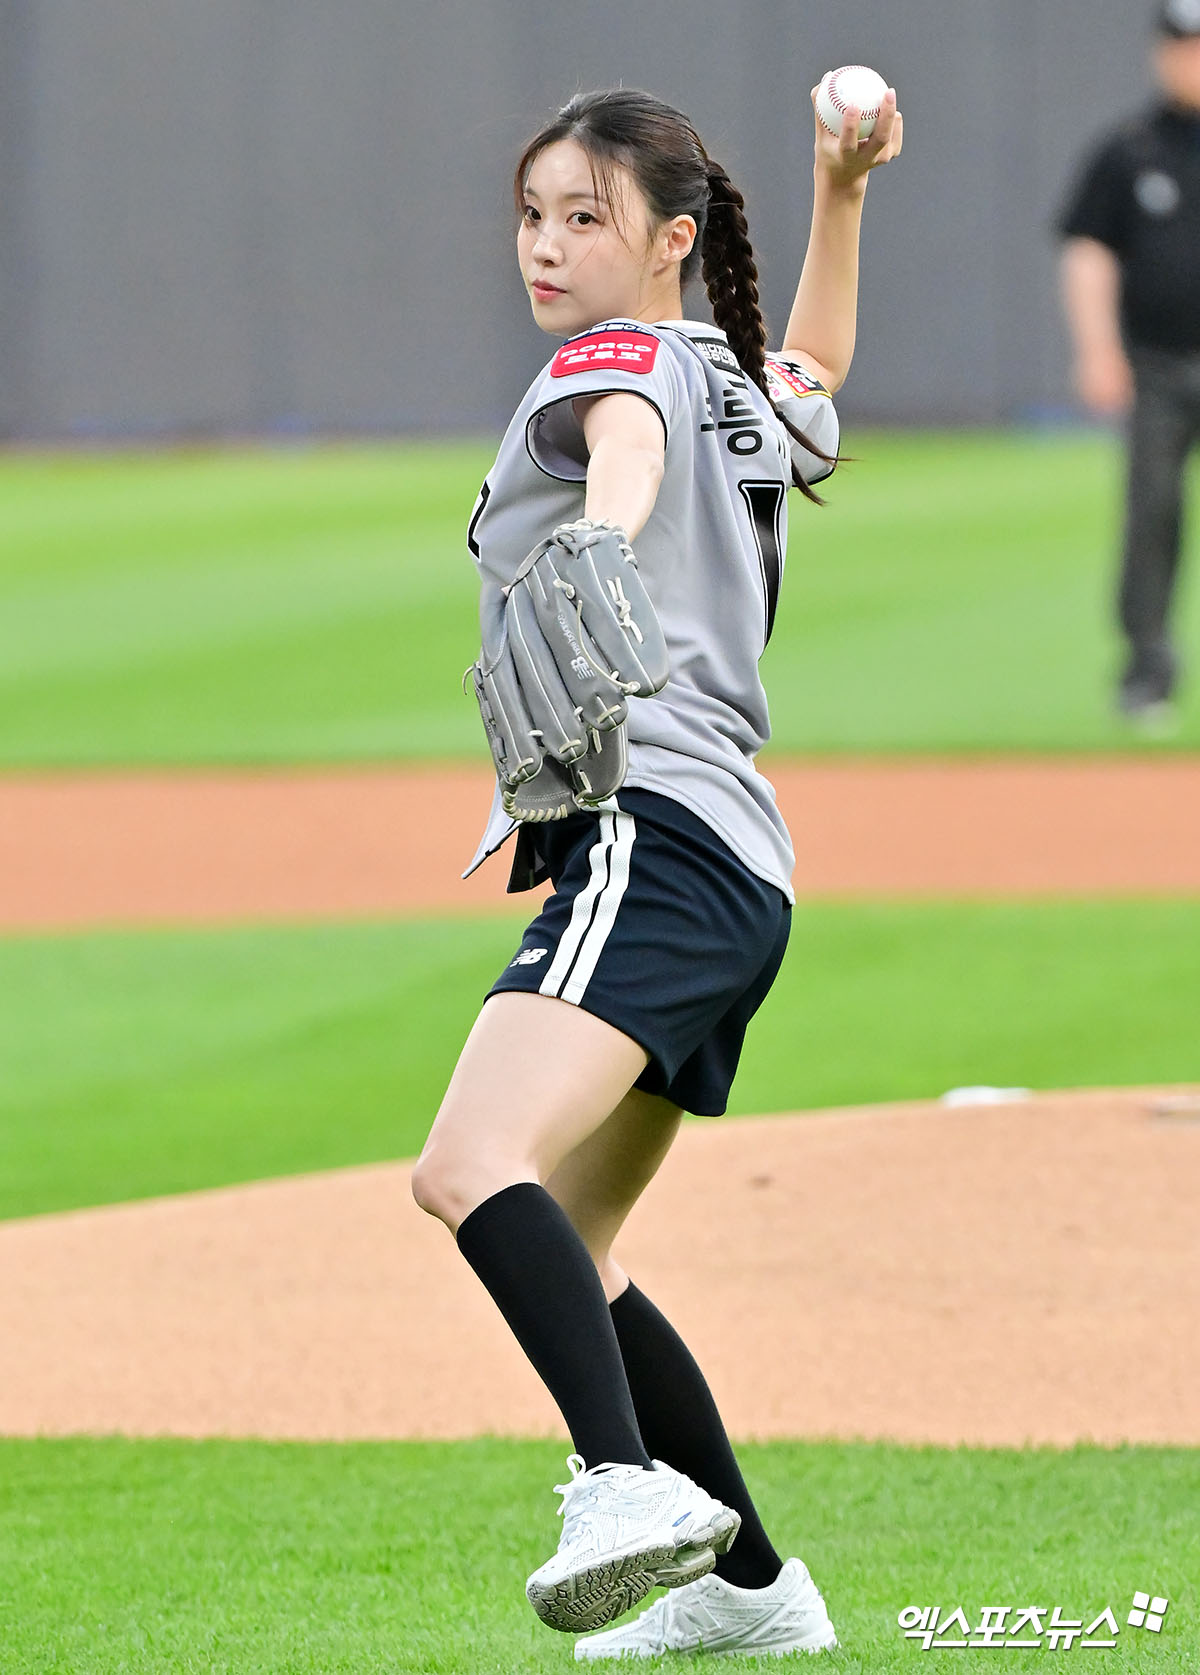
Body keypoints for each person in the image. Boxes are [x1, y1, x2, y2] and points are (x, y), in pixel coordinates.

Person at [412, 80, 901, 1659]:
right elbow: (819, 368)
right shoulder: (740, 386)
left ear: (672, 241)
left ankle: (621, 1481)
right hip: (736, 860)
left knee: (468, 1163)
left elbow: (618, 443)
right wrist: (844, 190)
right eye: (532, 213)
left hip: (652, 830)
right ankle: (751, 1588)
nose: (544, 245)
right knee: (575, 1228)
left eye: (585, 216)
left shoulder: (610, 361)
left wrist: (604, 537)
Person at [1056, 0, 1200, 727]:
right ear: (1160, 52)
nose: (1191, 60)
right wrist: (1098, 350)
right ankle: (1147, 673)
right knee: (1153, 511)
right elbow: (1088, 250)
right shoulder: (1129, 149)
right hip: (1159, 365)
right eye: (1181, 46)